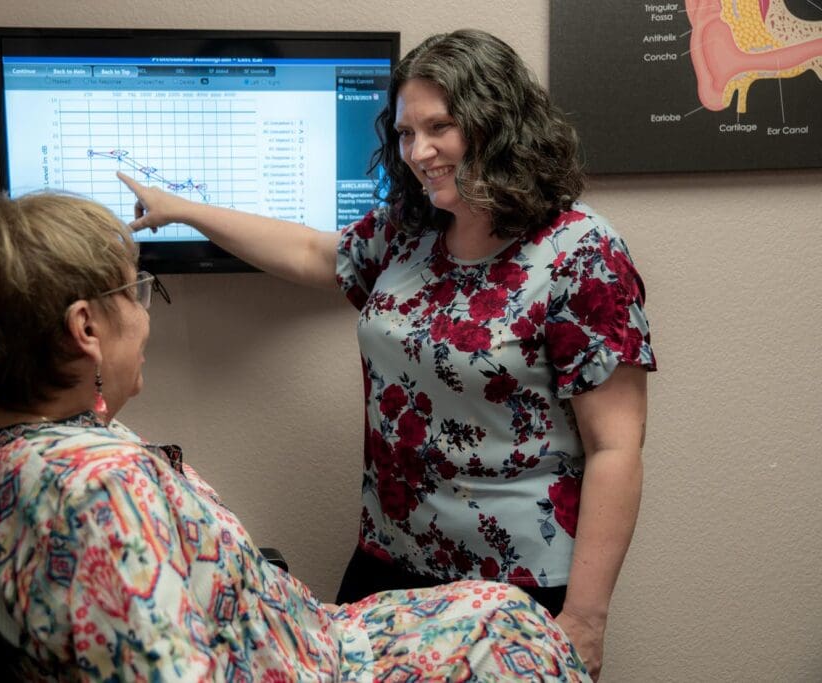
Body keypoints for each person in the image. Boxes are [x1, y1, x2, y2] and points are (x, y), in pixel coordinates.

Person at [117, 28, 656, 680]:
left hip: (517, 593)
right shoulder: (410, 229)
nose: (419, 151)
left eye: (440, 128)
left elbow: (616, 449)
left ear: (497, 124)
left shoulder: (582, 252)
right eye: (405, 133)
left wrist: (587, 617)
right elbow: (312, 252)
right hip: (389, 566)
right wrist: (181, 209)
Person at [0, 192, 590, 681]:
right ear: (86, 329)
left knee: (504, 612)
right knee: (519, 641)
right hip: (311, 666)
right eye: (135, 292)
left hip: (302, 640)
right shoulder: (100, 492)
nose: (144, 312)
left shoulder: (6, 446)